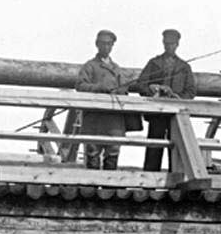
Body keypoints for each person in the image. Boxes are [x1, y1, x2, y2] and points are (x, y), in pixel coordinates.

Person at [134, 29, 196, 172]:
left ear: (177, 44)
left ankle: (175, 180)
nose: (169, 46)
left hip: (176, 115)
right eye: (167, 44)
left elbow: (191, 91)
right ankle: (149, 182)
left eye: (172, 44)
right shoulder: (154, 63)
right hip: (157, 114)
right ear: (163, 43)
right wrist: (152, 88)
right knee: (154, 147)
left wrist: (176, 97)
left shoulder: (184, 67)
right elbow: (140, 84)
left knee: (176, 148)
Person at [75, 29, 135, 170]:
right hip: (94, 119)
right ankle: (90, 190)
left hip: (114, 120)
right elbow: (80, 86)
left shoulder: (117, 69)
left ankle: (110, 190)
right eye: (103, 44)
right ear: (97, 44)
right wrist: (100, 87)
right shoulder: (89, 66)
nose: (106, 47)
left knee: (113, 152)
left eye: (109, 44)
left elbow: (125, 89)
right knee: (92, 153)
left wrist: (121, 90)